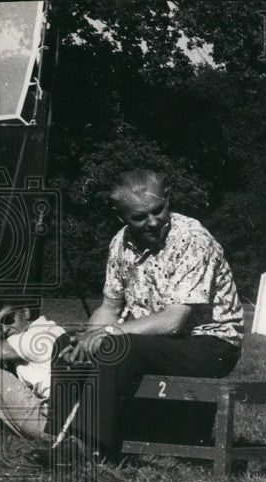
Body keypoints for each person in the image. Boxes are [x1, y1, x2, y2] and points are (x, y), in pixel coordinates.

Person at [48, 168, 244, 464]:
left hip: (210, 344)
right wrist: (88, 337)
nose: (153, 222)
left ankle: (88, 448)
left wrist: (111, 333)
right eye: (140, 217)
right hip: (155, 342)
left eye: (158, 210)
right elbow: (109, 307)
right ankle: (60, 440)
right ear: (122, 217)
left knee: (118, 345)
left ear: (169, 200)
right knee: (67, 343)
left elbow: (174, 320)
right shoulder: (119, 243)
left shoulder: (192, 238)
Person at [0, 303, 66, 440]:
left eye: (8, 319)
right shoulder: (50, 328)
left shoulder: (32, 338)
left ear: (26, 312)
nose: (3, 330)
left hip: (53, 425)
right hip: (68, 416)